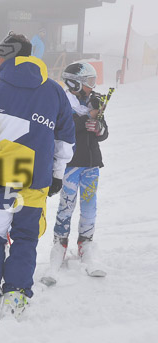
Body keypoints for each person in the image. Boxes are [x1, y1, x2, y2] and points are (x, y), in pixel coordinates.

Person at [0, 32, 75, 321]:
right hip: (36, 178)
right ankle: (15, 295)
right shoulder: (55, 92)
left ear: (9, 56)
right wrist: (57, 175)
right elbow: (66, 140)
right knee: (25, 238)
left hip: (1, 175)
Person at [47, 62, 109, 279]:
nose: (93, 86)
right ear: (75, 83)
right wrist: (88, 119)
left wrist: (98, 127)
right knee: (66, 205)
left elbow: (103, 130)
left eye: (93, 81)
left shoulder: (94, 101)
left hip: (91, 164)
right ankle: (59, 244)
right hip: (71, 164)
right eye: (89, 82)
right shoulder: (63, 102)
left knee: (90, 206)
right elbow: (67, 127)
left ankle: (86, 243)